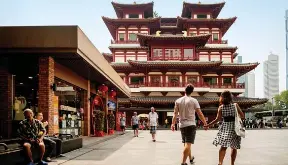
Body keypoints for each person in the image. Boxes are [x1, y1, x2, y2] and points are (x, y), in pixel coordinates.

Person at [171, 84, 208, 165]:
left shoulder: (178, 101)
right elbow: (199, 113)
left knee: (186, 143)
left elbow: (175, 113)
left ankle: (190, 158)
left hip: (182, 125)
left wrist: (173, 124)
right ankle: (183, 162)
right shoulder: (194, 100)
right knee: (188, 144)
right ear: (192, 91)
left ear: (185, 91)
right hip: (191, 124)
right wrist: (205, 123)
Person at [205, 90, 244, 165]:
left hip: (225, 128)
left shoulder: (221, 107)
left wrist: (208, 125)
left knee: (223, 146)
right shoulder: (235, 105)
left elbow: (217, 119)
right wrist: (236, 117)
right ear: (230, 97)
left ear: (222, 98)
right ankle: (232, 164)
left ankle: (220, 163)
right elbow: (242, 116)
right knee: (234, 147)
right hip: (234, 128)